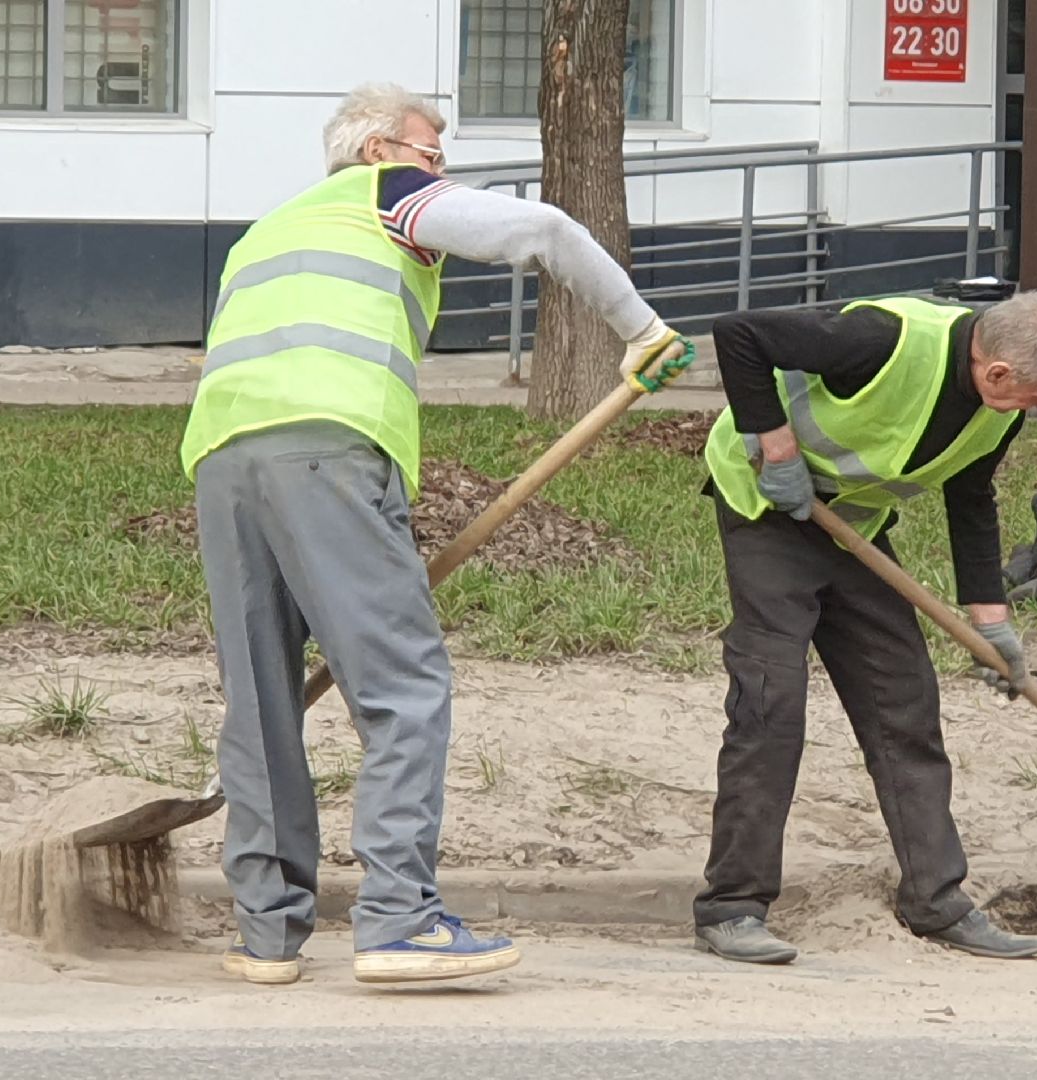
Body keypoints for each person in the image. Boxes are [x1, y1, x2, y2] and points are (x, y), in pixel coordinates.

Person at [179, 82, 692, 986]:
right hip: (331, 450)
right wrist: (640, 328)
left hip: (223, 462)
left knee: (260, 705)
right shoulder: (386, 197)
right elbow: (549, 233)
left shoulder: (267, 232)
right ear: (378, 150)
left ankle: (266, 933)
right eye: (431, 151)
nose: (441, 169)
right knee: (403, 687)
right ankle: (398, 921)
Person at [690, 291, 1037, 964]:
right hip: (766, 507)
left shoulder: (1000, 410)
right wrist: (776, 442)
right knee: (771, 702)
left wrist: (990, 622)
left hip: (855, 531)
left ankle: (935, 900)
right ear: (997, 373)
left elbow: (972, 497)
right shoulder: (883, 340)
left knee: (903, 701)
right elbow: (739, 334)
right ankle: (732, 906)